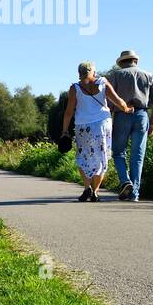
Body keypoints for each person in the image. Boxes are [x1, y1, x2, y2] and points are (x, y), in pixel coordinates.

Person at [60, 60, 133, 202]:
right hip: (102, 125)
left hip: (83, 126)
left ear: (79, 73)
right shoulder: (102, 82)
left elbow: (69, 112)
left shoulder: (75, 88)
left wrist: (64, 131)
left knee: (83, 156)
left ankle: (87, 187)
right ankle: (95, 192)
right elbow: (119, 101)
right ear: (93, 71)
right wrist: (127, 109)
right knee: (101, 157)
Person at [106, 49, 153, 202]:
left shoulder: (116, 75)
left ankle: (125, 181)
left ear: (121, 62)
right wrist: (152, 123)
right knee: (137, 156)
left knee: (118, 153)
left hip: (122, 115)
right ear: (135, 61)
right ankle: (134, 194)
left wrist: (109, 119)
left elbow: (109, 101)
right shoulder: (148, 75)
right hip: (141, 115)